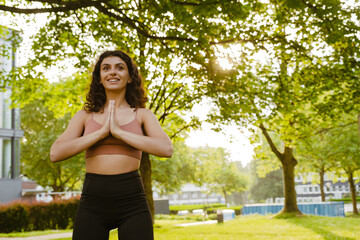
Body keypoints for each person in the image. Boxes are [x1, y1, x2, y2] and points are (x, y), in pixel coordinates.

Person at [50, 50, 173, 240]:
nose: (112, 72)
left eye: (120, 68)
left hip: (132, 199)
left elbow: (166, 149)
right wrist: (100, 133)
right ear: (99, 78)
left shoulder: (142, 114)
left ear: (130, 77)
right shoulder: (84, 116)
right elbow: (56, 153)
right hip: (93, 200)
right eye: (106, 68)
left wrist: (119, 132)